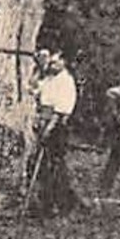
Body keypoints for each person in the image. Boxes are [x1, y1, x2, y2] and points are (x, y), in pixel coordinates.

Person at [27, 48, 80, 217]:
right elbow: (33, 88)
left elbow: (60, 110)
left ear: (64, 63)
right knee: (43, 165)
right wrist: (37, 68)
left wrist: (48, 129)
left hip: (57, 126)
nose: (52, 64)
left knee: (55, 165)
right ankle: (47, 203)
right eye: (51, 62)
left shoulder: (66, 81)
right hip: (45, 121)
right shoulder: (50, 79)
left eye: (55, 62)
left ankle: (64, 204)